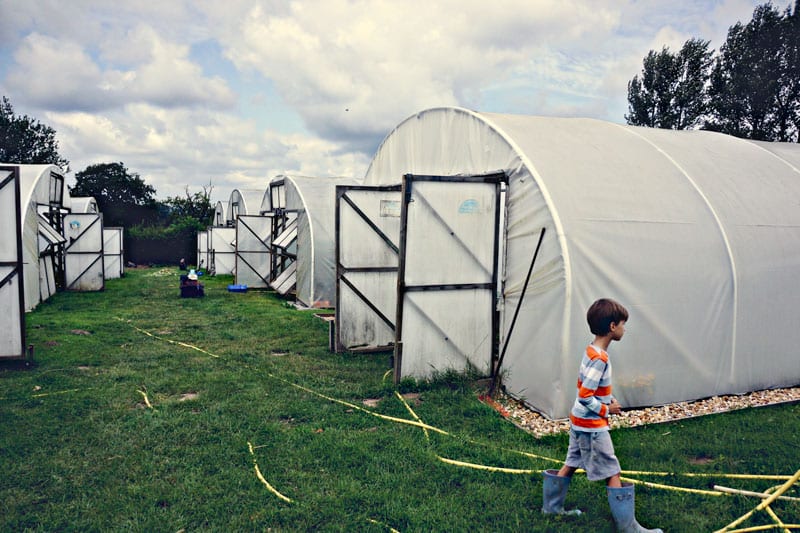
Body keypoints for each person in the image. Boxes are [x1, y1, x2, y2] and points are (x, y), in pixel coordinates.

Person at [542, 298, 662, 532]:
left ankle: (552, 508)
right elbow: (586, 395)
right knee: (612, 470)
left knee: (571, 462)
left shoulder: (591, 350)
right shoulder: (600, 358)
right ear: (612, 327)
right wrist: (608, 410)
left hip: (579, 422)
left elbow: (589, 387)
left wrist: (608, 398)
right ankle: (629, 528)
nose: (625, 329)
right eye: (623, 324)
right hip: (591, 426)